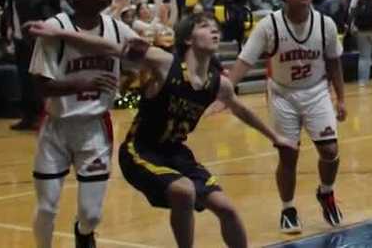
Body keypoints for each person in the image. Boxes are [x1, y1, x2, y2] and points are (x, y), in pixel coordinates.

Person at [120, 13, 296, 247]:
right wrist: (126, 49)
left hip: (176, 153)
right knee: (184, 192)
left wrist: (276, 137)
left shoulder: (218, 83)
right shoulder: (165, 63)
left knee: (227, 209)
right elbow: (118, 51)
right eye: (205, 26)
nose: (214, 31)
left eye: (216, 28)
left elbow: (241, 110)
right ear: (188, 39)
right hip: (140, 149)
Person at [20, 0, 139, 248]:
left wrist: (133, 74)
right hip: (56, 128)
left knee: (91, 214)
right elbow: (40, 86)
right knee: (47, 208)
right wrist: (82, 83)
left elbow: (145, 54)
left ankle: (83, 233)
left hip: (94, 128)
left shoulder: (116, 28)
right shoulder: (55, 27)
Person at [227, 0, 347, 234]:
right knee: (288, 154)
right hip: (283, 93)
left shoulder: (325, 24)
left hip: (316, 91)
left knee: (329, 151)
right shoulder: (268, 25)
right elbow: (244, 61)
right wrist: (227, 91)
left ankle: (326, 192)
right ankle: (288, 208)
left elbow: (334, 63)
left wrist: (341, 99)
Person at [0, 0, 56, 131]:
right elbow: (10, 6)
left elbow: (31, 4)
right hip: (18, 34)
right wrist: (8, 25)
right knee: (24, 78)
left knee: (37, 78)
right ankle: (28, 116)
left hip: (35, 36)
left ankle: (42, 116)